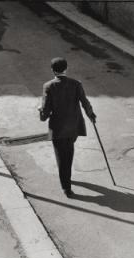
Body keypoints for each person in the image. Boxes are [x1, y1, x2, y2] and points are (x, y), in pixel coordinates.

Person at [38, 57, 96, 197]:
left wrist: (40, 110)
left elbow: (45, 113)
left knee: (61, 156)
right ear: (66, 69)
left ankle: (66, 187)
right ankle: (66, 178)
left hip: (58, 127)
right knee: (68, 152)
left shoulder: (49, 86)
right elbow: (85, 101)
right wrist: (91, 115)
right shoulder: (76, 84)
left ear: (52, 70)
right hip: (74, 126)